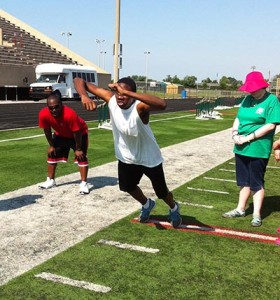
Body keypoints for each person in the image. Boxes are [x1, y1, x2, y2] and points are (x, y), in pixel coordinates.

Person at [73, 76, 182, 227]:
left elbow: (162, 104)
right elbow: (79, 80)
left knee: (162, 193)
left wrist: (127, 92)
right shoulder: (111, 99)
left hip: (149, 158)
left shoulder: (139, 107)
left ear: (132, 95)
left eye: (125, 94)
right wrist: (84, 95)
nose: (120, 97)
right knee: (127, 187)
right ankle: (146, 204)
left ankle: (174, 208)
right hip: (127, 157)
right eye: (118, 92)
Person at [223, 71, 280, 226]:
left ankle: (256, 214)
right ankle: (240, 209)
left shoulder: (272, 100)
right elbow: (238, 119)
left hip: (258, 148)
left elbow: (270, 125)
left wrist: (248, 138)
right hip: (241, 147)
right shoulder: (248, 99)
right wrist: (235, 134)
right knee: (243, 181)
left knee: (256, 182)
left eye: (253, 88)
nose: (250, 91)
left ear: (262, 86)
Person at [38, 90, 90, 194]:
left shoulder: (70, 114)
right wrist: (51, 145)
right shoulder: (43, 114)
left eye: (56, 107)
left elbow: (77, 132)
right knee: (52, 153)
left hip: (79, 134)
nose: (54, 110)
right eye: (51, 108)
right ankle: (51, 180)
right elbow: (47, 130)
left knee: (81, 156)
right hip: (61, 134)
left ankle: (84, 184)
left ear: (61, 104)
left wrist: (78, 149)